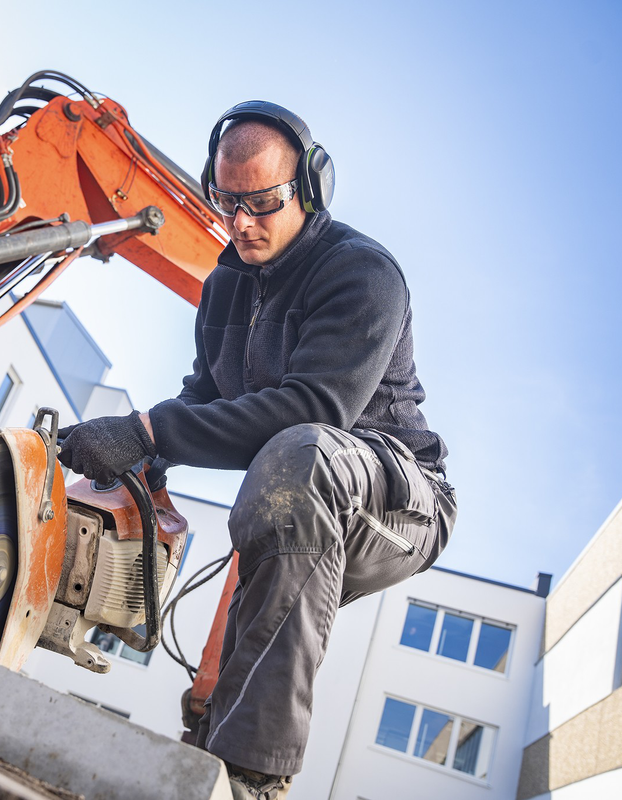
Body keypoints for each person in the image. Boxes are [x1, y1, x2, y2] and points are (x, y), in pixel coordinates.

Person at [57, 101, 456, 799]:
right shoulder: (224, 289)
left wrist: (147, 429)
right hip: (301, 492)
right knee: (263, 591)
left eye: (262, 203)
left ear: (309, 189)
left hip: (399, 501)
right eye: (226, 202)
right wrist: (131, 457)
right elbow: (203, 396)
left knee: (300, 459)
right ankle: (213, 762)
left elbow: (316, 410)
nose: (241, 223)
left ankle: (255, 779)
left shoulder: (363, 274)